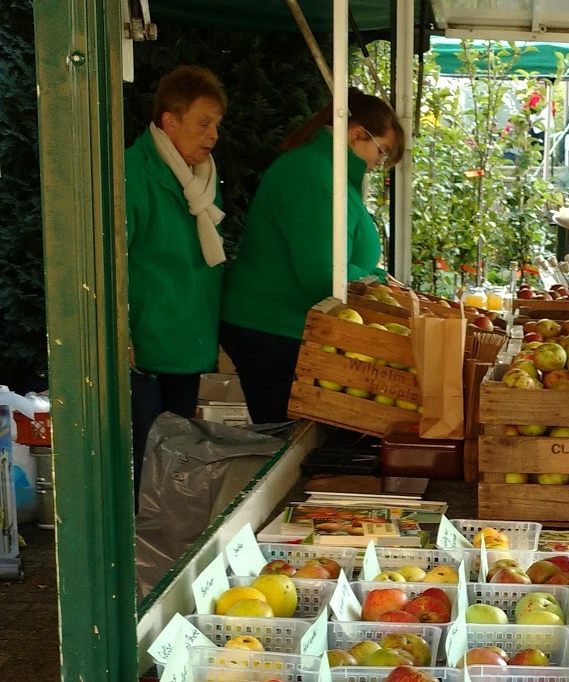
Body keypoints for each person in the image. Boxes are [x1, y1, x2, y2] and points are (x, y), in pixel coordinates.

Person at [221, 87, 404, 422]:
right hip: (272, 329)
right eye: (381, 151)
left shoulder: (327, 172)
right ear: (356, 133)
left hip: (282, 328)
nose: (378, 163)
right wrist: (376, 281)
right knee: (287, 442)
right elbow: (322, 274)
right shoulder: (314, 175)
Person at [125, 64, 227, 493]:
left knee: (179, 467)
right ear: (170, 121)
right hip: (145, 349)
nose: (213, 135)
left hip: (189, 343)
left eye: (217, 124)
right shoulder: (131, 173)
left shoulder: (203, 178)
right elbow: (113, 262)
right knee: (148, 471)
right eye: (203, 123)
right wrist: (122, 335)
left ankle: (174, 552)